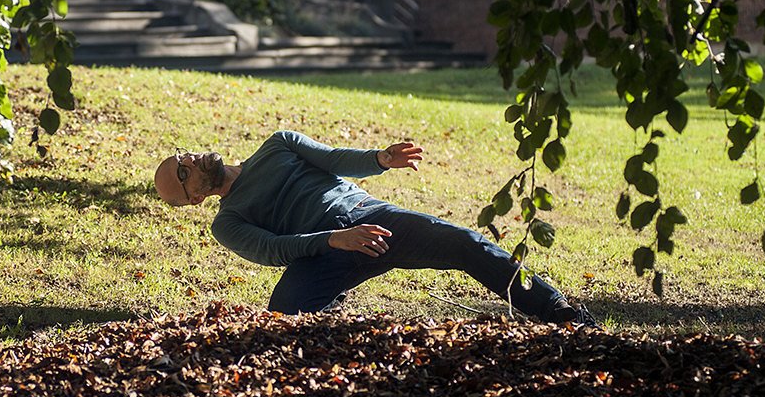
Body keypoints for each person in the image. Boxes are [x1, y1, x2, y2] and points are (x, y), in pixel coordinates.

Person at [153, 130, 596, 326]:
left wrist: (379, 160)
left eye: (181, 157)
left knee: (464, 243)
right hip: (323, 252)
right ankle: (335, 312)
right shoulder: (227, 222)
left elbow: (332, 158)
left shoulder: (278, 144)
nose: (188, 160)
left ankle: (562, 314)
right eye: (182, 173)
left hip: (370, 218)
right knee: (283, 315)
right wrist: (335, 240)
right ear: (194, 198)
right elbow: (275, 249)